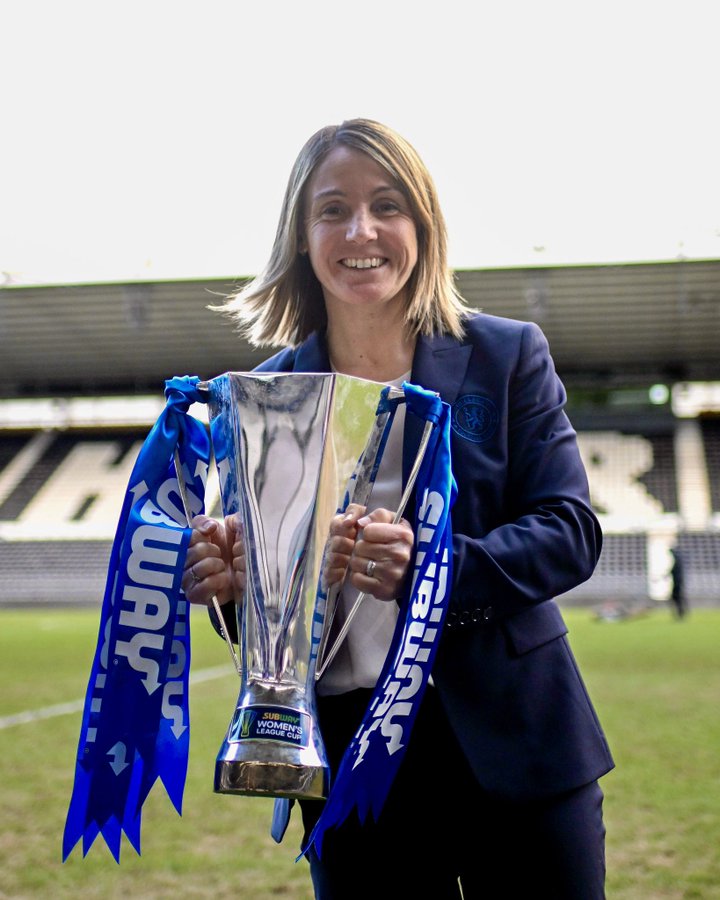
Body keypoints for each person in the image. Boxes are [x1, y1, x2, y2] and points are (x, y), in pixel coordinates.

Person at [181, 118, 614, 899]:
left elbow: (570, 531)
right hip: (353, 768)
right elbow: (266, 609)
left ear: (423, 225)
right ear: (301, 236)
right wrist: (234, 579)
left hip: (517, 750)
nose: (361, 231)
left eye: (387, 205)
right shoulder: (266, 394)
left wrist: (431, 565)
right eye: (332, 209)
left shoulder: (507, 355)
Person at [669, 545, 688, 619]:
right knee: (678, 598)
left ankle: (680, 614)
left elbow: (674, 571)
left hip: (677, 583)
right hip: (677, 583)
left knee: (677, 598)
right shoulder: (678, 560)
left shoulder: (677, 560)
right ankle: (680, 613)